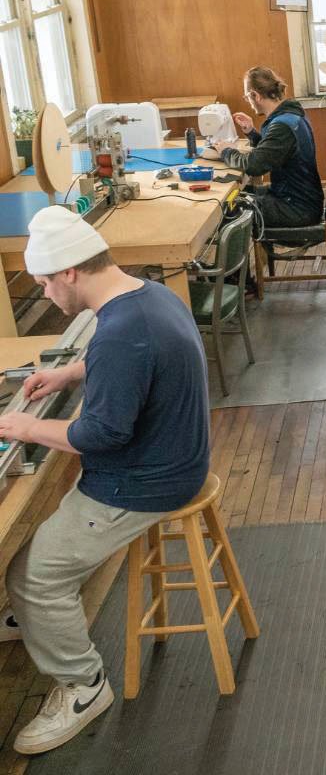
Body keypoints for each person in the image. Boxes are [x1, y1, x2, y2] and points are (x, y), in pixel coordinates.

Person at [0, 207, 210, 754]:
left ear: (70, 271)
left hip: (145, 481)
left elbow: (101, 436)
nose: (44, 293)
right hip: (175, 457)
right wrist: (71, 372)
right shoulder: (144, 294)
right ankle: (43, 620)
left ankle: (84, 684)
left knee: (29, 578)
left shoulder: (121, 335)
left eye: (46, 281)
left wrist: (27, 426)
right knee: (36, 565)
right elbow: (132, 358)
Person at [211, 66, 324, 229]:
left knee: (227, 208)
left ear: (255, 95)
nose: (248, 102)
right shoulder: (291, 115)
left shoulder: (282, 126)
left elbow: (255, 166)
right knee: (237, 195)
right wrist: (251, 133)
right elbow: (274, 152)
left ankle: (252, 252)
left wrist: (226, 151)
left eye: (247, 97)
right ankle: (262, 252)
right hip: (299, 198)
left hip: (296, 208)